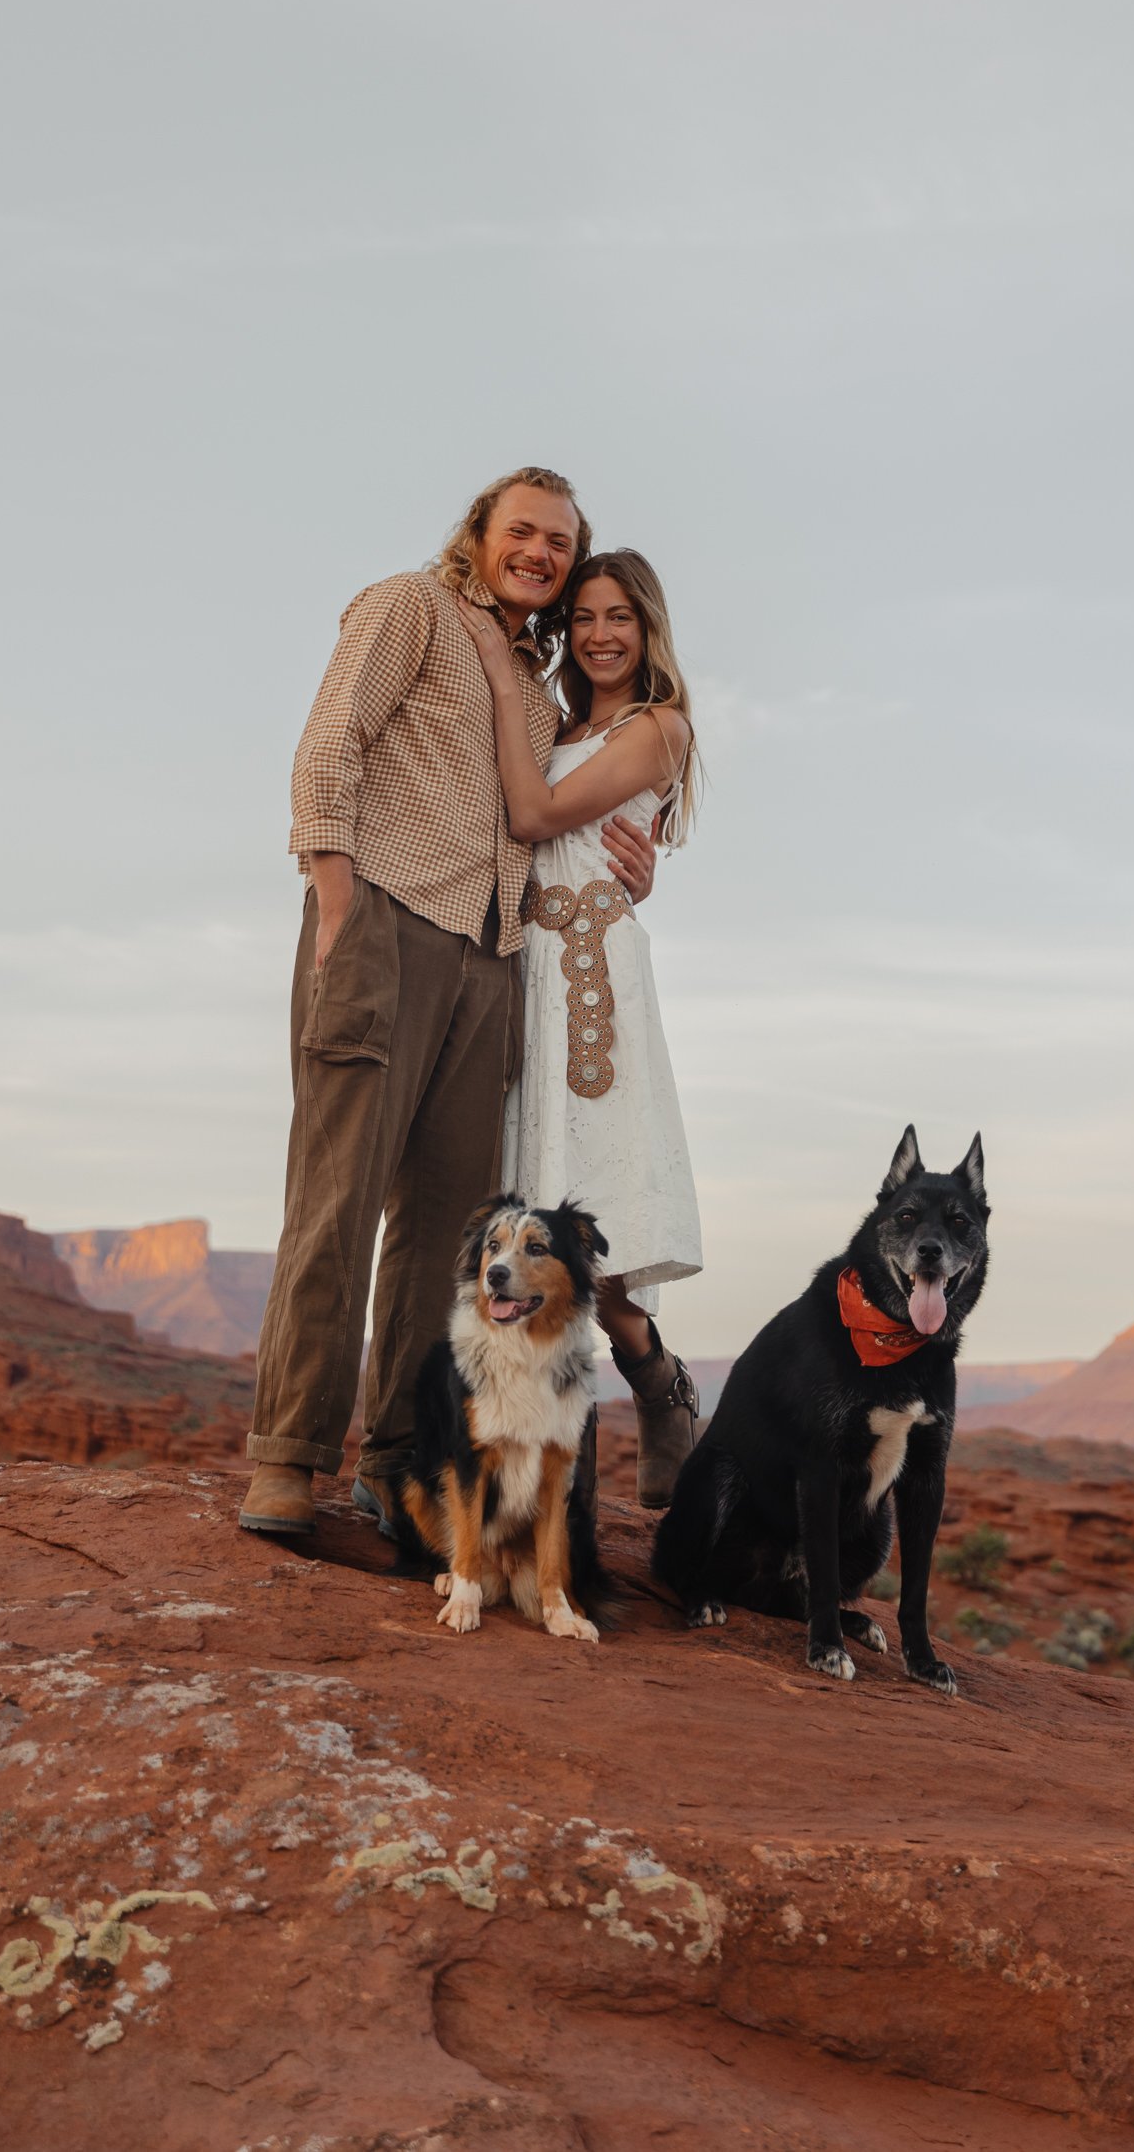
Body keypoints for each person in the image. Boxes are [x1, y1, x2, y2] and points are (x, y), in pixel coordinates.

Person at [240, 468, 658, 1538]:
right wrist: (334, 900)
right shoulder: (407, 608)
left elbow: (556, 808)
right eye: (521, 531)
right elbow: (328, 743)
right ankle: (286, 1462)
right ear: (478, 533)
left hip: (493, 962)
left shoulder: (533, 680)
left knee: (449, 1243)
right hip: (383, 921)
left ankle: (396, 1468)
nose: (539, 551)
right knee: (336, 1202)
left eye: (558, 542)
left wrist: (634, 861)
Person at [457, 549, 704, 1506]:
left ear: (648, 629)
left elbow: (533, 812)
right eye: (587, 617)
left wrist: (489, 660)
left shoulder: (659, 728)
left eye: (621, 618)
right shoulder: (557, 724)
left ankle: (659, 1380)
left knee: (595, 1229)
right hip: (529, 973)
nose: (601, 634)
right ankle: (553, 1483)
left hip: (595, 977)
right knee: (532, 1230)